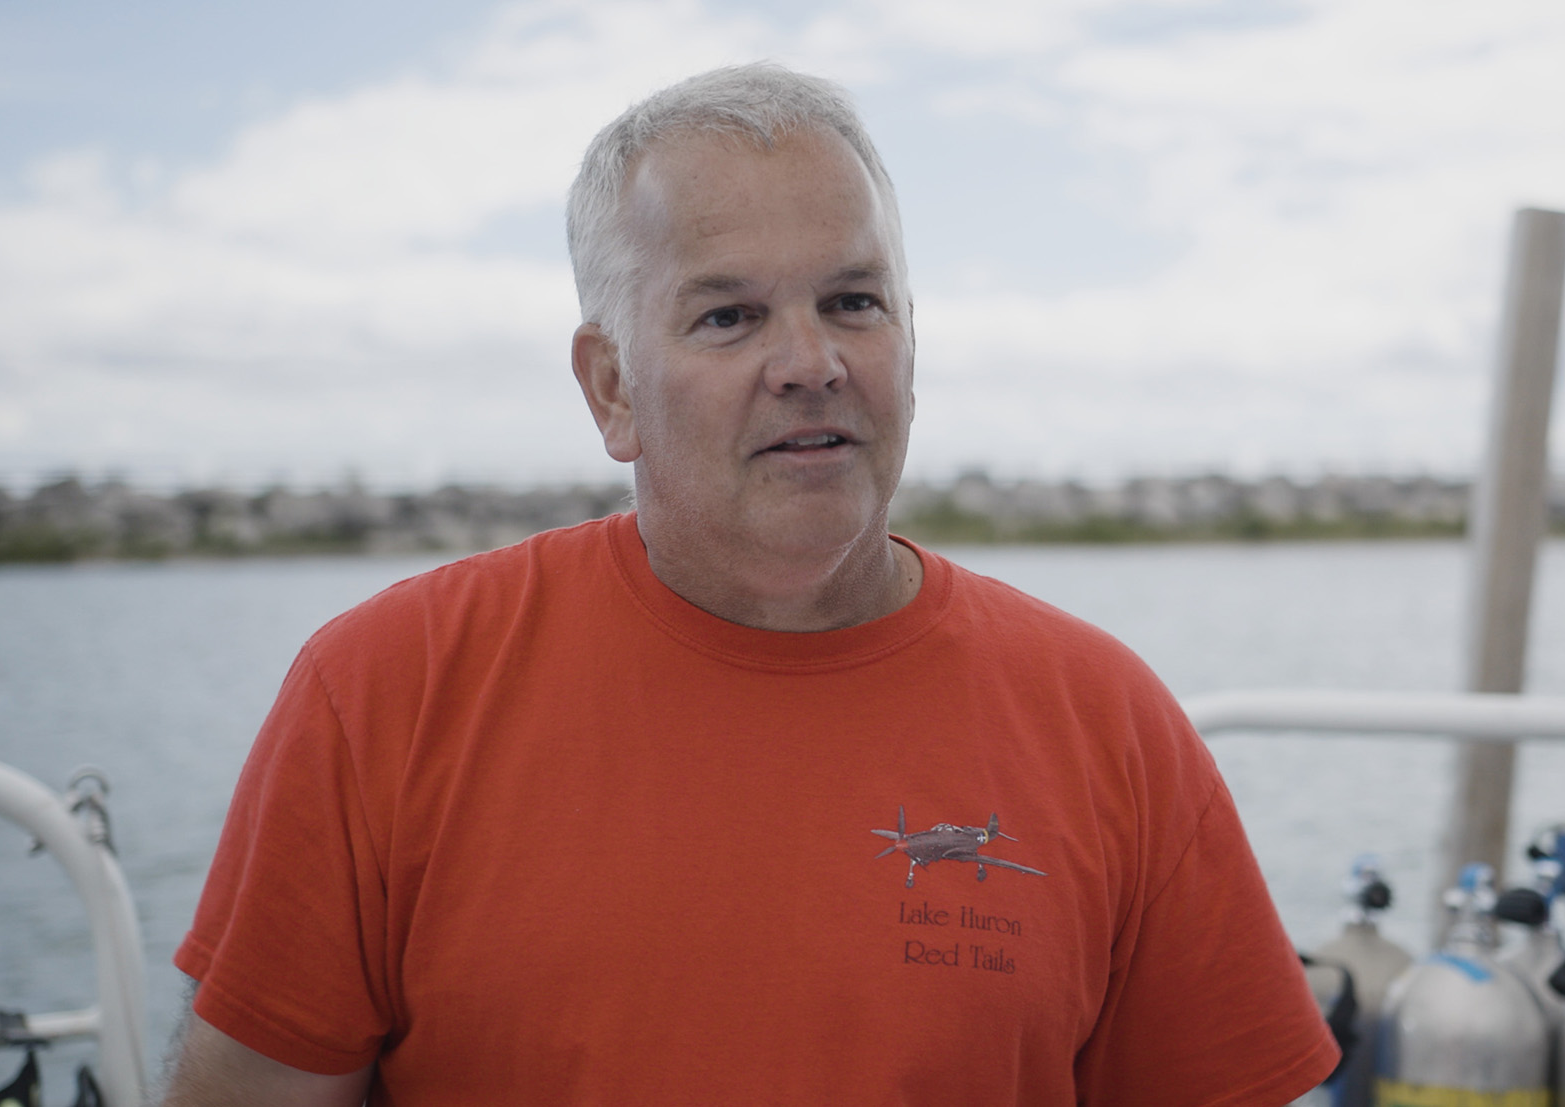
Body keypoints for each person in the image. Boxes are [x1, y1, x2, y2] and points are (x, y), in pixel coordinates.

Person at [162, 63, 1338, 1105]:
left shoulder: (1107, 720)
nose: (811, 365)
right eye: (729, 316)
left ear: (912, 347)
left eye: (853, 303)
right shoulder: (385, 692)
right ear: (611, 388)